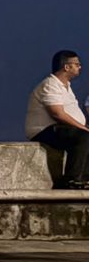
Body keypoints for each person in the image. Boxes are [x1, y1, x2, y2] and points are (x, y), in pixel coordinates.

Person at [25, 50, 87, 188]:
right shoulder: (50, 84)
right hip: (44, 130)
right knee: (83, 137)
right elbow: (57, 114)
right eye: (77, 64)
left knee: (85, 137)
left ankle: (84, 178)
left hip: (63, 129)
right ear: (66, 67)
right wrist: (83, 128)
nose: (80, 67)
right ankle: (72, 180)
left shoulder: (66, 86)